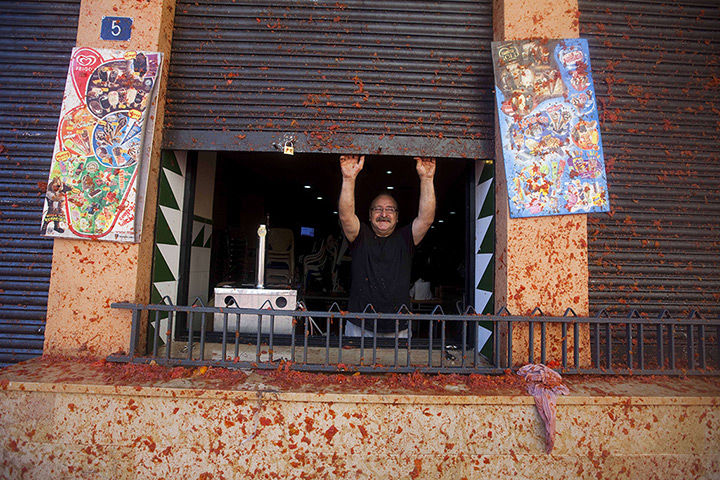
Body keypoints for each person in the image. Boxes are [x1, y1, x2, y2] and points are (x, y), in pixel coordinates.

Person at [338, 154, 436, 337]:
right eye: (378, 209)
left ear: (397, 217)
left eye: (390, 209)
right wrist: (349, 178)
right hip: (359, 325)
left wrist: (427, 178)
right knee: (355, 367)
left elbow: (426, 219)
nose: (384, 214)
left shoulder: (405, 239)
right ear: (369, 215)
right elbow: (345, 216)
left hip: (398, 327)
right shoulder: (361, 237)